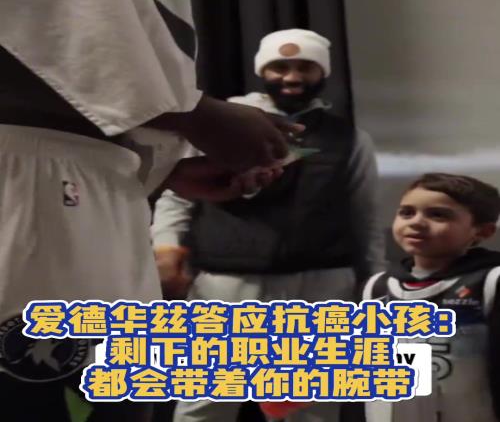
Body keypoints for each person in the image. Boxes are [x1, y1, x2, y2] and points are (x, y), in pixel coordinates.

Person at [0, 0, 299, 421]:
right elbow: (32, 18)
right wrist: (192, 115)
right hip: (29, 173)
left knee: (116, 403)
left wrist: (165, 170)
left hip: (99, 186)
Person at [151, 28, 386, 422]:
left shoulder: (349, 138)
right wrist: (165, 246)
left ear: (323, 72)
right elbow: (176, 195)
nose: (292, 77)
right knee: (206, 402)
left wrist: (374, 282)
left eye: (305, 67)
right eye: (280, 67)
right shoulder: (223, 125)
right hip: (226, 283)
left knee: (310, 409)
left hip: (322, 285)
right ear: (263, 71)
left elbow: (365, 214)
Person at [363, 173, 500, 422]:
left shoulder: (490, 281)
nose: (416, 222)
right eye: (406, 213)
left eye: (438, 215)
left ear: (483, 231)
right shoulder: (377, 287)